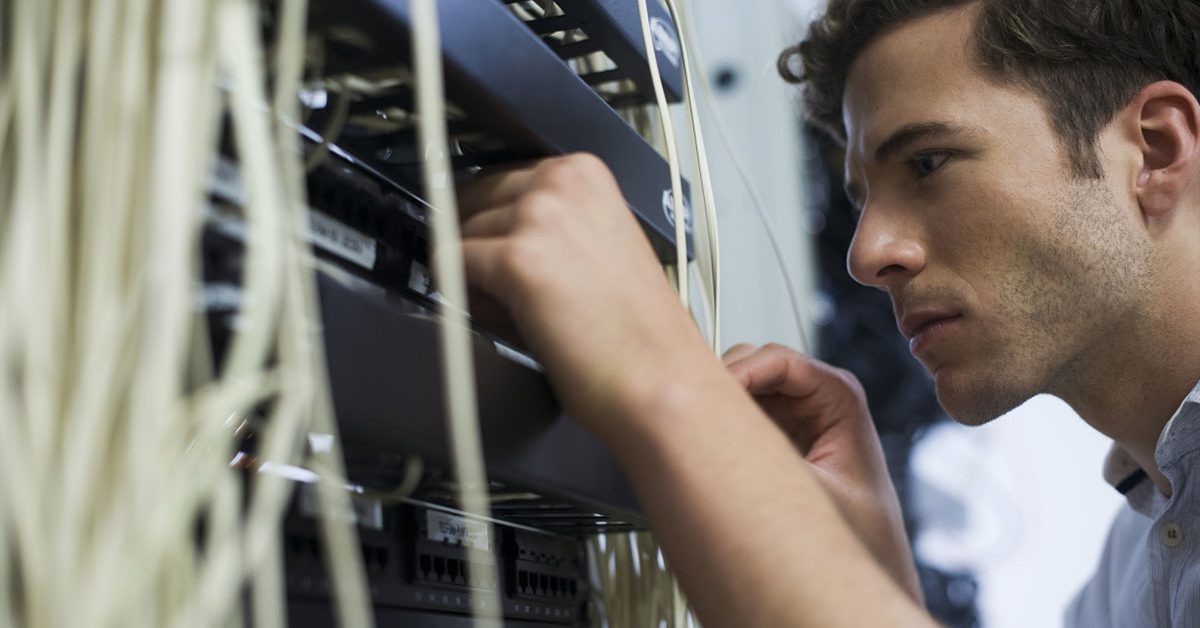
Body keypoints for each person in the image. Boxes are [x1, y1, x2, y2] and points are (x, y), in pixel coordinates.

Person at [455, 0, 1200, 625]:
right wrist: (870, 578)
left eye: (927, 164)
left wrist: (656, 376)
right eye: (860, 201)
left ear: (1156, 149)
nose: (867, 253)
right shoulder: (1142, 558)